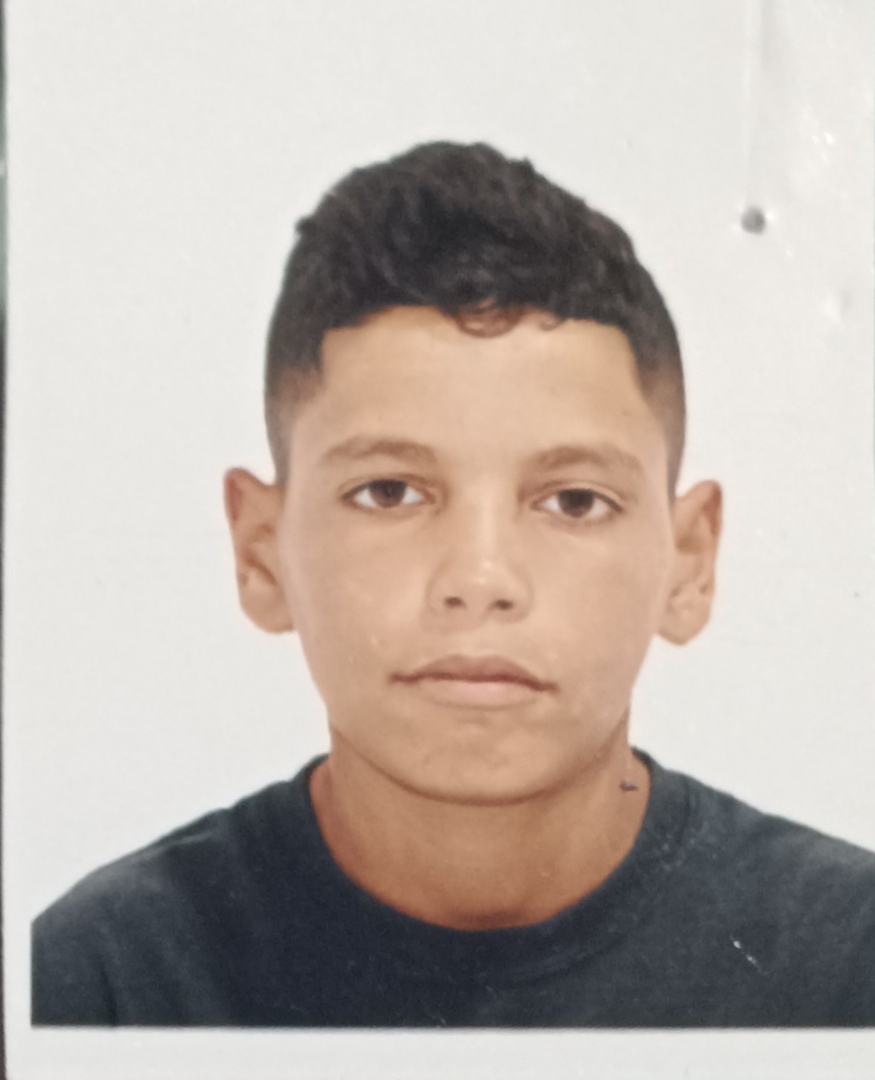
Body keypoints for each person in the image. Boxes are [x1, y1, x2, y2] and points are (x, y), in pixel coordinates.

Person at [32, 142, 875, 1028]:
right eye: (388, 491)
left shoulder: (846, 964)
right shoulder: (102, 979)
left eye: (573, 500)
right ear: (261, 551)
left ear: (689, 561)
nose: (479, 580)